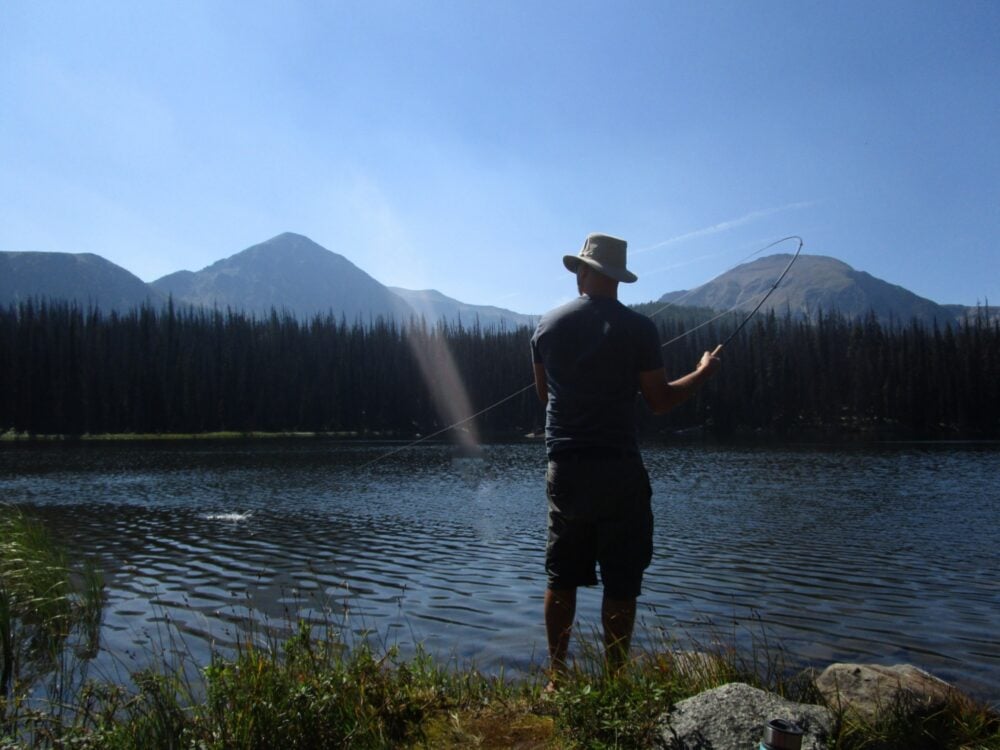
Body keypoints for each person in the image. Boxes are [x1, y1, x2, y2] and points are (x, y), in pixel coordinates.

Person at [530, 232, 721, 684]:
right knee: (621, 578)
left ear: (583, 272)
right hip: (618, 468)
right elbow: (659, 400)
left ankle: (557, 677)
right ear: (618, 278)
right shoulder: (640, 329)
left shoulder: (546, 326)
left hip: (565, 467)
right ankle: (614, 680)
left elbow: (545, 396)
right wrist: (703, 372)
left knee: (561, 575)